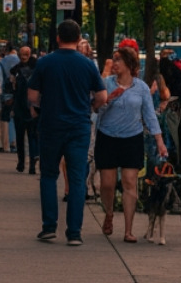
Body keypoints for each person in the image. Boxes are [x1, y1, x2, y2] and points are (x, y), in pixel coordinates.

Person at [28, 19, 107, 245]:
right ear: (78, 38)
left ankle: (49, 226)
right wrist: (88, 108)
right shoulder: (87, 65)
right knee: (76, 179)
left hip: (51, 125)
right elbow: (102, 97)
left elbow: (32, 96)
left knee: (49, 176)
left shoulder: (45, 63)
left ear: (58, 38)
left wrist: (43, 106)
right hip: (78, 126)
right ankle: (74, 232)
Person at [96, 46, 166, 243]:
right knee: (107, 184)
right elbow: (94, 110)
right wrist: (107, 101)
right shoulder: (106, 84)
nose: (114, 63)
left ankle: (128, 229)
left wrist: (159, 141)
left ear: (129, 64)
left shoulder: (141, 88)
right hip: (107, 136)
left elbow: (150, 116)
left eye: (118, 60)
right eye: (114, 59)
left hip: (132, 138)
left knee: (129, 182)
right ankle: (109, 213)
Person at [11, 46, 38, 173]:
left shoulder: (17, 70)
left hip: (25, 107)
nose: (23, 57)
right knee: (29, 137)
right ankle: (28, 162)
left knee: (25, 136)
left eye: (25, 54)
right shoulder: (34, 69)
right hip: (27, 107)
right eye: (22, 54)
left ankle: (25, 162)